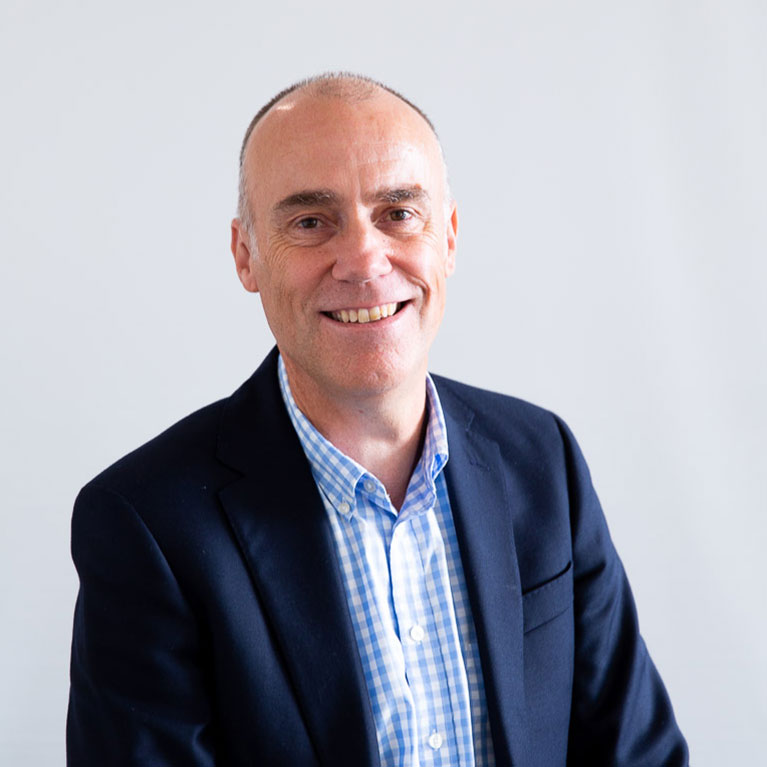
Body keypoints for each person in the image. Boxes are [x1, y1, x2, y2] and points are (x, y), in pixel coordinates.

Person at [67, 73, 689, 766]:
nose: (364, 259)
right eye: (310, 221)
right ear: (245, 254)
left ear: (447, 236)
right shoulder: (146, 523)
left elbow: (637, 753)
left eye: (398, 212)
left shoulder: (541, 459)